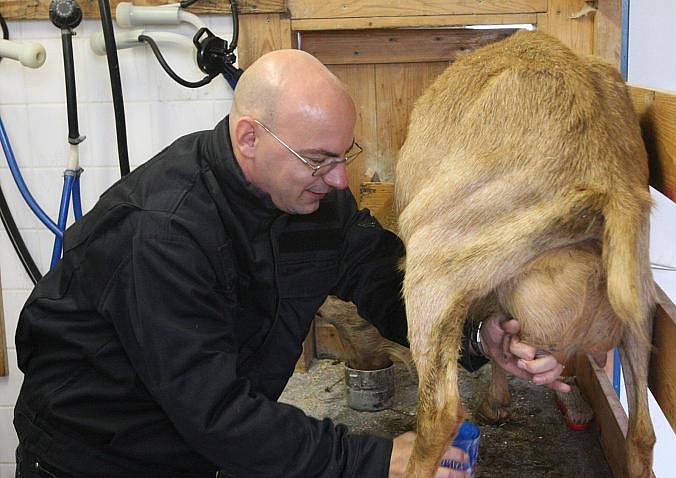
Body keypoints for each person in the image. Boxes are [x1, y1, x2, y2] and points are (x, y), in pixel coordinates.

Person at [14, 49, 568, 478]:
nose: (339, 180)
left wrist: (474, 335)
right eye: (320, 160)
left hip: (195, 448)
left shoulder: (311, 202)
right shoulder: (162, 234)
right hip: (93, 459)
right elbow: (217, 413)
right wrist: (378, 464)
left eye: (344, 154)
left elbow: (383, 279)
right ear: (250, 137)